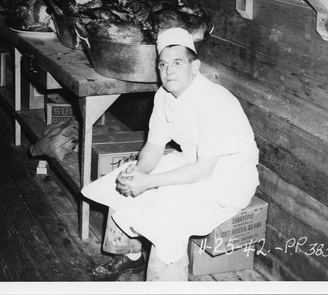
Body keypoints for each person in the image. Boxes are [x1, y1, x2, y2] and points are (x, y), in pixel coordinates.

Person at [81, 27, 259, 281]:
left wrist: (150, 182)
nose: (169, 71)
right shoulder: (164, 95)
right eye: (163, 65)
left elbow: (203, 170)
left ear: (195, 67)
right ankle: (129, 255)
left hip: (227, 178)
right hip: (191, 162)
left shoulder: (215, 101)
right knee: (126, 176)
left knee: (167, 209)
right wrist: (139, 173)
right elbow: (154, 146)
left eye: (177, 63)